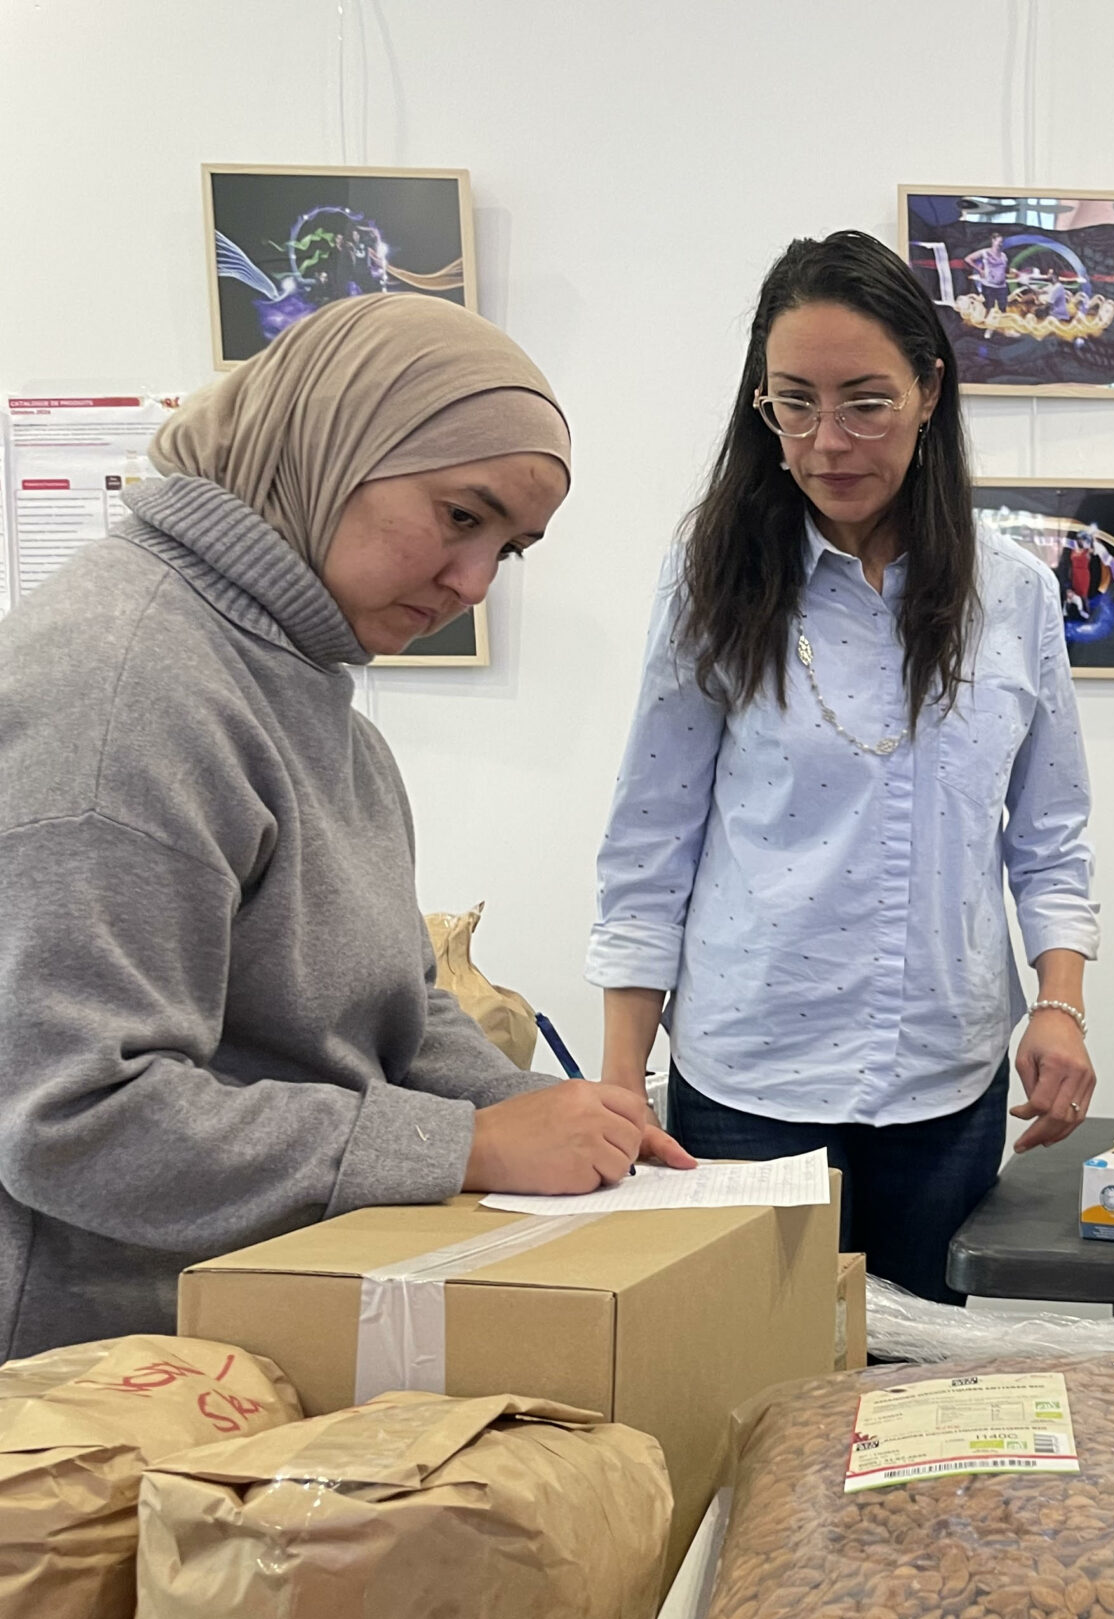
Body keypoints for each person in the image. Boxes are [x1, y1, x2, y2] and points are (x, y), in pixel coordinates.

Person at [0, 295, 689, 1360]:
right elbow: (78, 1119)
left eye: (507, 550)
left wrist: (547, 1115)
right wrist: (465, 1145)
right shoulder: (124, 679)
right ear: (334, 441)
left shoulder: (307, 697)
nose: (471, 584)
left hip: (252, 1329)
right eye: (463, 516)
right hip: (100, 1389)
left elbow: (397, 1008)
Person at [590, 230, 1100, 1305]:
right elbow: (650, 840)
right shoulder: (713, 585)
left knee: (922, 1411)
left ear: (928, 390)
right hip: (746, 1082)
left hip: (944, 1085)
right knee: (754, 1401)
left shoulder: (1010, 598)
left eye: (865, 401)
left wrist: (1061, 1005)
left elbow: (1049, 837)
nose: (828, 441)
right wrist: (619, 1075)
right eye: (794, 403)